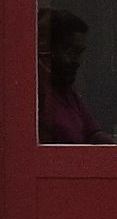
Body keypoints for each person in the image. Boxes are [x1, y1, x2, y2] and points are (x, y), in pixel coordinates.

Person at [37, 9, 104, 144]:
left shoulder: (68, 93)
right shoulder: (35, 95)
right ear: (49, 50)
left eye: (80, 53)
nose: (77, 61)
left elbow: (94, 134)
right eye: (71, 51)